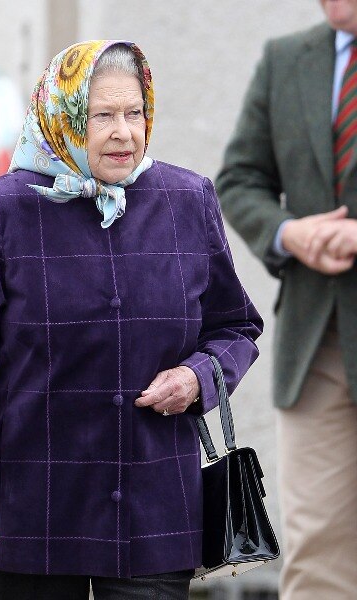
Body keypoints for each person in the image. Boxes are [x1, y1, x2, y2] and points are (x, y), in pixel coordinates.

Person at [0, 40, 262, 600]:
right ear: (63, 117)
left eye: (135, 113)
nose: (123, 132)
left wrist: (199, 376)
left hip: (153, 513)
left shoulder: (187, 200)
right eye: (101, 115)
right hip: (26, 514)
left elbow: (235, 327)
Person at [216, 2, 357, 598]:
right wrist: (287, 232)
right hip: (316, 342)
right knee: (317, 549)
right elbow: (240, 178)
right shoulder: (285, 60)